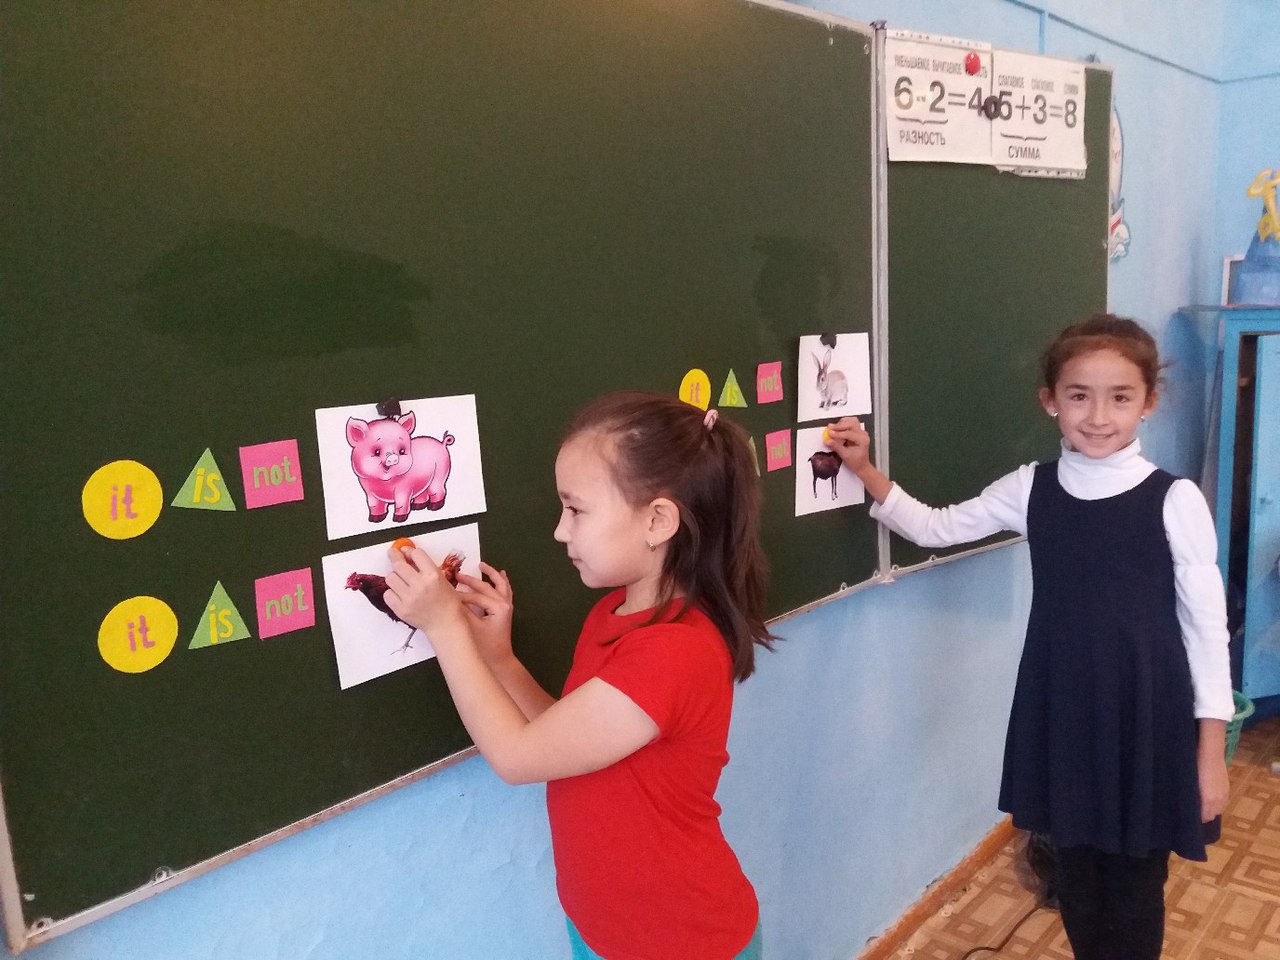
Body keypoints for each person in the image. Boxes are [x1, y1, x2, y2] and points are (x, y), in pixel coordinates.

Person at [825, 315, 1233, 960]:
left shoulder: (1174, 499)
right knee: (1076, 878)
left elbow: (1207, 634)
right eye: (1079, 395)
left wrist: (1209, 754)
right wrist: (865, 469)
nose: (1098, 416)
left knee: (1134, 886)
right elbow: (935, 528)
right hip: (1063, 712)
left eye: (1120, 397)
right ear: (1050, 401)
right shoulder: (1031, 487)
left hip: (1147, 720)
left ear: (1148, 403)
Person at [383, 391, 773, 960]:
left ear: (658, 521)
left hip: (683, 941)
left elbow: (517, 758)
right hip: (605, 929)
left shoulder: (675, 652)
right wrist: (501, 661)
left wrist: (445, 627)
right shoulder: (614, 614)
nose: (560, 532)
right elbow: (566, 737)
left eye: (576, 510)